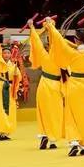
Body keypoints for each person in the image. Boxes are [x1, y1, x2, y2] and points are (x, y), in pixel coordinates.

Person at [44, 19, 84, 157]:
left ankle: (74, 142)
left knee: (72, 115)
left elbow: (59, 43)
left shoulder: (73, 53)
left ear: (76, 40)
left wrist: (51, 27)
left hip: (74, 84)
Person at [26, 21, 64, 151]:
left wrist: (31, 26)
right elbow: (57, 40)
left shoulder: (45, 56)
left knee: (43, 111)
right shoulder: (62, 60)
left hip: (44, 84)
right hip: (56, 86)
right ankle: (52, 139)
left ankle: (44, 135)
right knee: (55, 112)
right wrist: (51, 27)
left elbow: (36, 42)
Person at [0, 36, 19, 141]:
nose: (6, 55)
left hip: (10, 88)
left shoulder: (13, 65)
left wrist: (15, 81)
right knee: (0, 108)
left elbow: (17, 77)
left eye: (8, 53)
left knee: (9, 109)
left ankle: (5, 132)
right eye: (4, 53)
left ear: (11, 55)